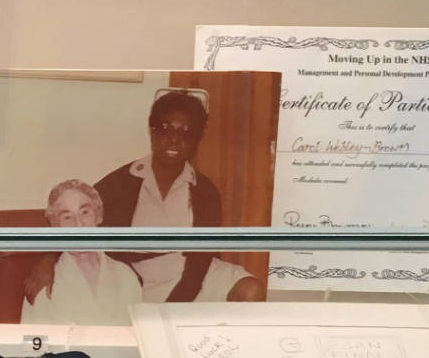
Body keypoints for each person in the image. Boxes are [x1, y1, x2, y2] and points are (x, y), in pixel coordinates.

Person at [25, 89, 262, 306]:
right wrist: (48, 259)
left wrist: (175, 306)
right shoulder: (119, 183)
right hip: (137, 280)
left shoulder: (205, 191)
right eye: (166, 129)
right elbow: (82, 222)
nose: (174, 140)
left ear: (197, 139)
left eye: (186, 133)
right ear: (152, 131)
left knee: (250, 291)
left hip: (197, 275)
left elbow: (199, 262)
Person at [22, 179, 143, 325]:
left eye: (85, 212)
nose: (78, 225)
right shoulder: (44, 284)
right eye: (67, 217)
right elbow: (33, 343)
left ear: (98, 216)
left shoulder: (126, 276)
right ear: (56, 226)